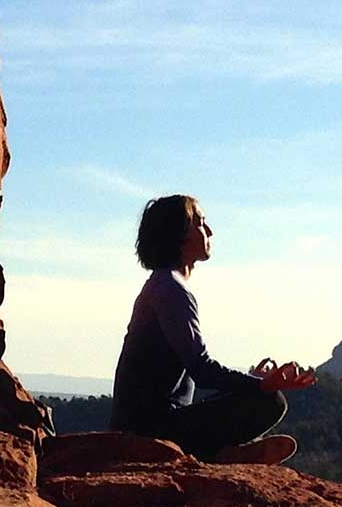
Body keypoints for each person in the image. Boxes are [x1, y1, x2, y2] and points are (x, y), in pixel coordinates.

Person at [110, 194, 315, 464]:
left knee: (255, 393)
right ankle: (218, 454)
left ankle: (223, 452)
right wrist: (262, 384)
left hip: (150, 423)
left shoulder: (163, 285)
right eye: (200, 223)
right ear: (179, 233)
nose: (209, 231)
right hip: (150, 431)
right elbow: (202, 369)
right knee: (270, 402)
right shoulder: (169, 289)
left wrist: (250, 382)